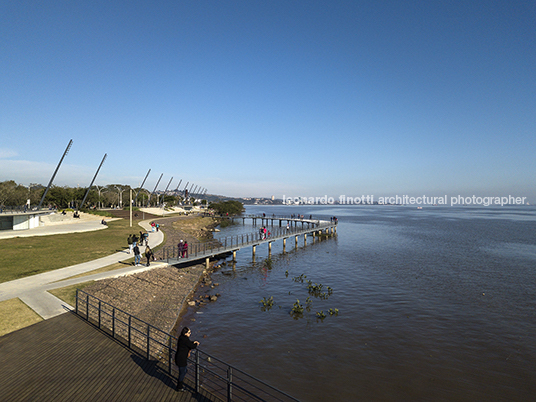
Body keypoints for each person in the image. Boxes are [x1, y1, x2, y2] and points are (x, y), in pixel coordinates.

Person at [175, 327, 199, 392]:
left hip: (178, 357)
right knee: (182, 372)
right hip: (181, 359)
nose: (190, 334)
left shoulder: (182, 338)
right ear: (185, 333)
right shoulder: (185, 340)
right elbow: (192, 346)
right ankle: (179, 387)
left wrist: (193, 342)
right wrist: (196, 343)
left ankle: (179, 384)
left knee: (184, 371)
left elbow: (188, 343)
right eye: (189, 332)